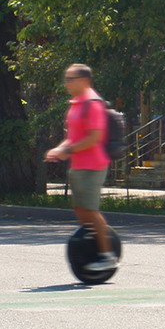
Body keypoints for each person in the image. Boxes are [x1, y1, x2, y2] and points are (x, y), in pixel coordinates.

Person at [46, 64, 117, 271]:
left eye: (70, 79)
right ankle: (94, 243)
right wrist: (57, 149)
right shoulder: (76, 103)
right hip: (78, 164)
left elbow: (93, 138)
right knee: (80, 209)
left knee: (90, 210)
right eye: (66, 79)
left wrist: (66, 151)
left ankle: (107, 255)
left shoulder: (92, 103)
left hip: (93, 165)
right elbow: (72, 137)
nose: (66, 83)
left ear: (84, 81)